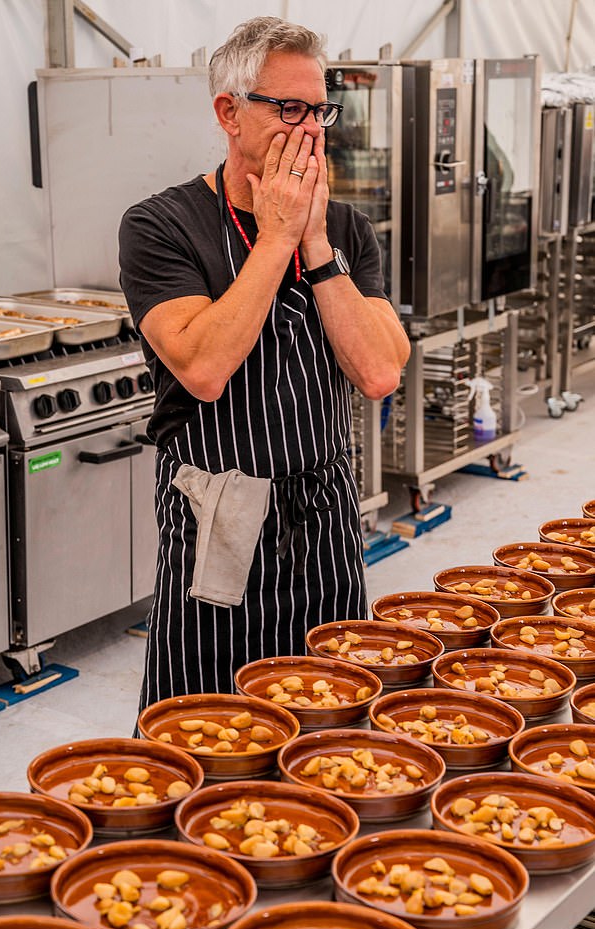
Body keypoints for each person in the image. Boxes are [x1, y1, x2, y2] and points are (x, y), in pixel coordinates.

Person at [119, 16, 410, 711]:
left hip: (325, 517)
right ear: (229, 112)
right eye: (289, 109)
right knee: (205, 726)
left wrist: (313, 243)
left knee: (330, 717)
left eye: (320, 110)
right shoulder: (160, 226)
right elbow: (203, 366)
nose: (312, 129)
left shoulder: (343, 229)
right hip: (221, 519)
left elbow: (378, 373)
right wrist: (276, 238)